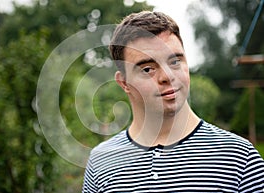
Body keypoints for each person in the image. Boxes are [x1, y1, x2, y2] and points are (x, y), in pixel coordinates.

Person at [82, 11, 264, 192]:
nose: (167, 76)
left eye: (175, 61)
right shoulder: (100, 162)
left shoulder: (240, 159)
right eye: (147, 69)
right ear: (124, 82)